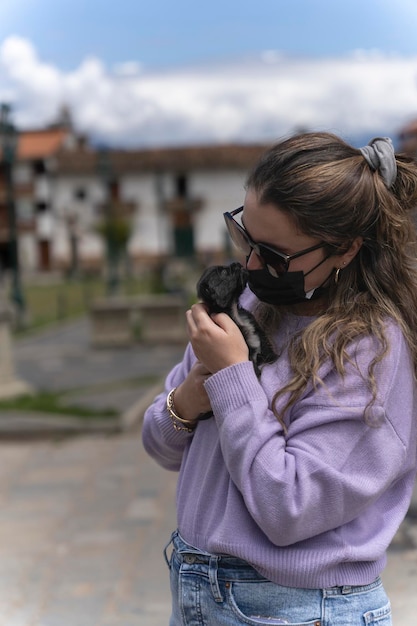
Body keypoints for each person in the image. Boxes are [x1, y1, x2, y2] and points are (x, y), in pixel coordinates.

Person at [142, 132, 417, 626]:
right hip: (198, 586)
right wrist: (187, 397)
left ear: (346, 249)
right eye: (244, 237)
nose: (249, 265)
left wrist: (232, 378)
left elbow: (290, 508)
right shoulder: (248, 308)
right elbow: (159, 446)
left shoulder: (369, 350)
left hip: (296, 610)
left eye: (274, 256)